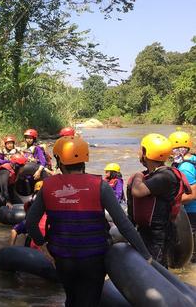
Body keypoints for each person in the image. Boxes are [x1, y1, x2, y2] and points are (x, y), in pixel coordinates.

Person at [27, 136, 152, 307]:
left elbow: (31, 223)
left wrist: (44, 246)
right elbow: (123, 224)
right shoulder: (100, 185)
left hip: (63, 257)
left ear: (59, 160)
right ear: (85, 159)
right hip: (95, 258)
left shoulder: (47, 185)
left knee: (71, 298)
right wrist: (145, 255)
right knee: (90, 301)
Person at [127, 133, 191, 267]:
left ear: (146, 153)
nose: (139, 153)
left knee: (157, 267)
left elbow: (138, 191)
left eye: (141, 149)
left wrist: (137, 176)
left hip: (159, 234)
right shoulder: (153, 175)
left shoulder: (166, 176)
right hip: (147, 230)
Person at [169, 131, 196, 263]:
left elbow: (192, 195)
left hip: (192, 213)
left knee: (190, 256)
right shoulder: (193, 160)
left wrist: (170, 202)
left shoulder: (185, 167)